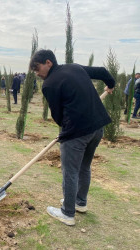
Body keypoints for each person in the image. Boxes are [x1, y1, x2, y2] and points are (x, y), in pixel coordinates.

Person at [29, 49, 115, 226]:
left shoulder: (49, 84)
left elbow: (58, 115)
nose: (37, 74)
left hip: (76, 133)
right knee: (84, 167)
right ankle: (79, 203)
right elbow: (102, 72)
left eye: (37, 69)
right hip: (97, 127)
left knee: (70, 172)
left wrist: (65, 132)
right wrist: (111, 84)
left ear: (48, 63)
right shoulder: (75, 68)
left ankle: (67, 213)